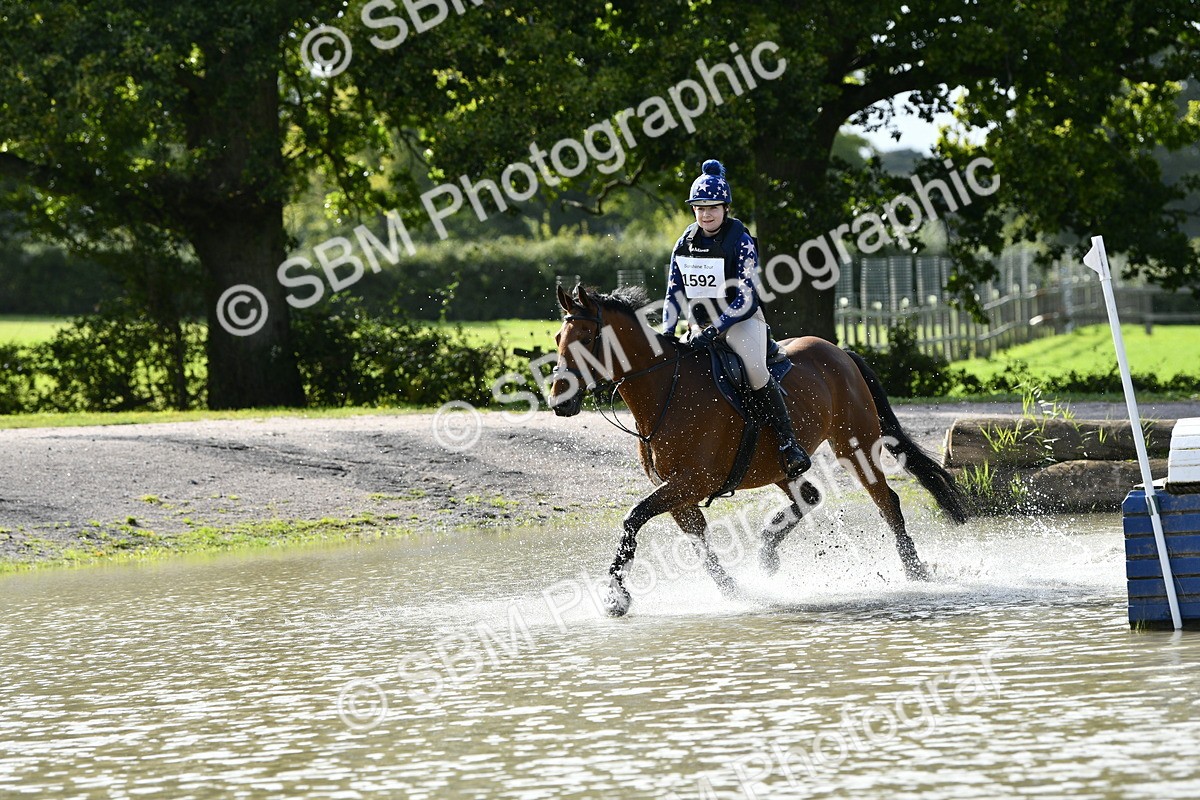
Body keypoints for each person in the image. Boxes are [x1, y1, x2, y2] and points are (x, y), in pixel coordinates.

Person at [660, 159, 811, 479]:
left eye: (712, 207)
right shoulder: (684, 243)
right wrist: (668, 330)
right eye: (699, 208)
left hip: (741, 321)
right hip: (699, 324)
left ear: (725, 207)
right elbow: (674, 291)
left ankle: (788, 444)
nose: (705, 214)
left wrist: (715, 328)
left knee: (755, 370)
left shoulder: (740, 241)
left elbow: (746, 297)